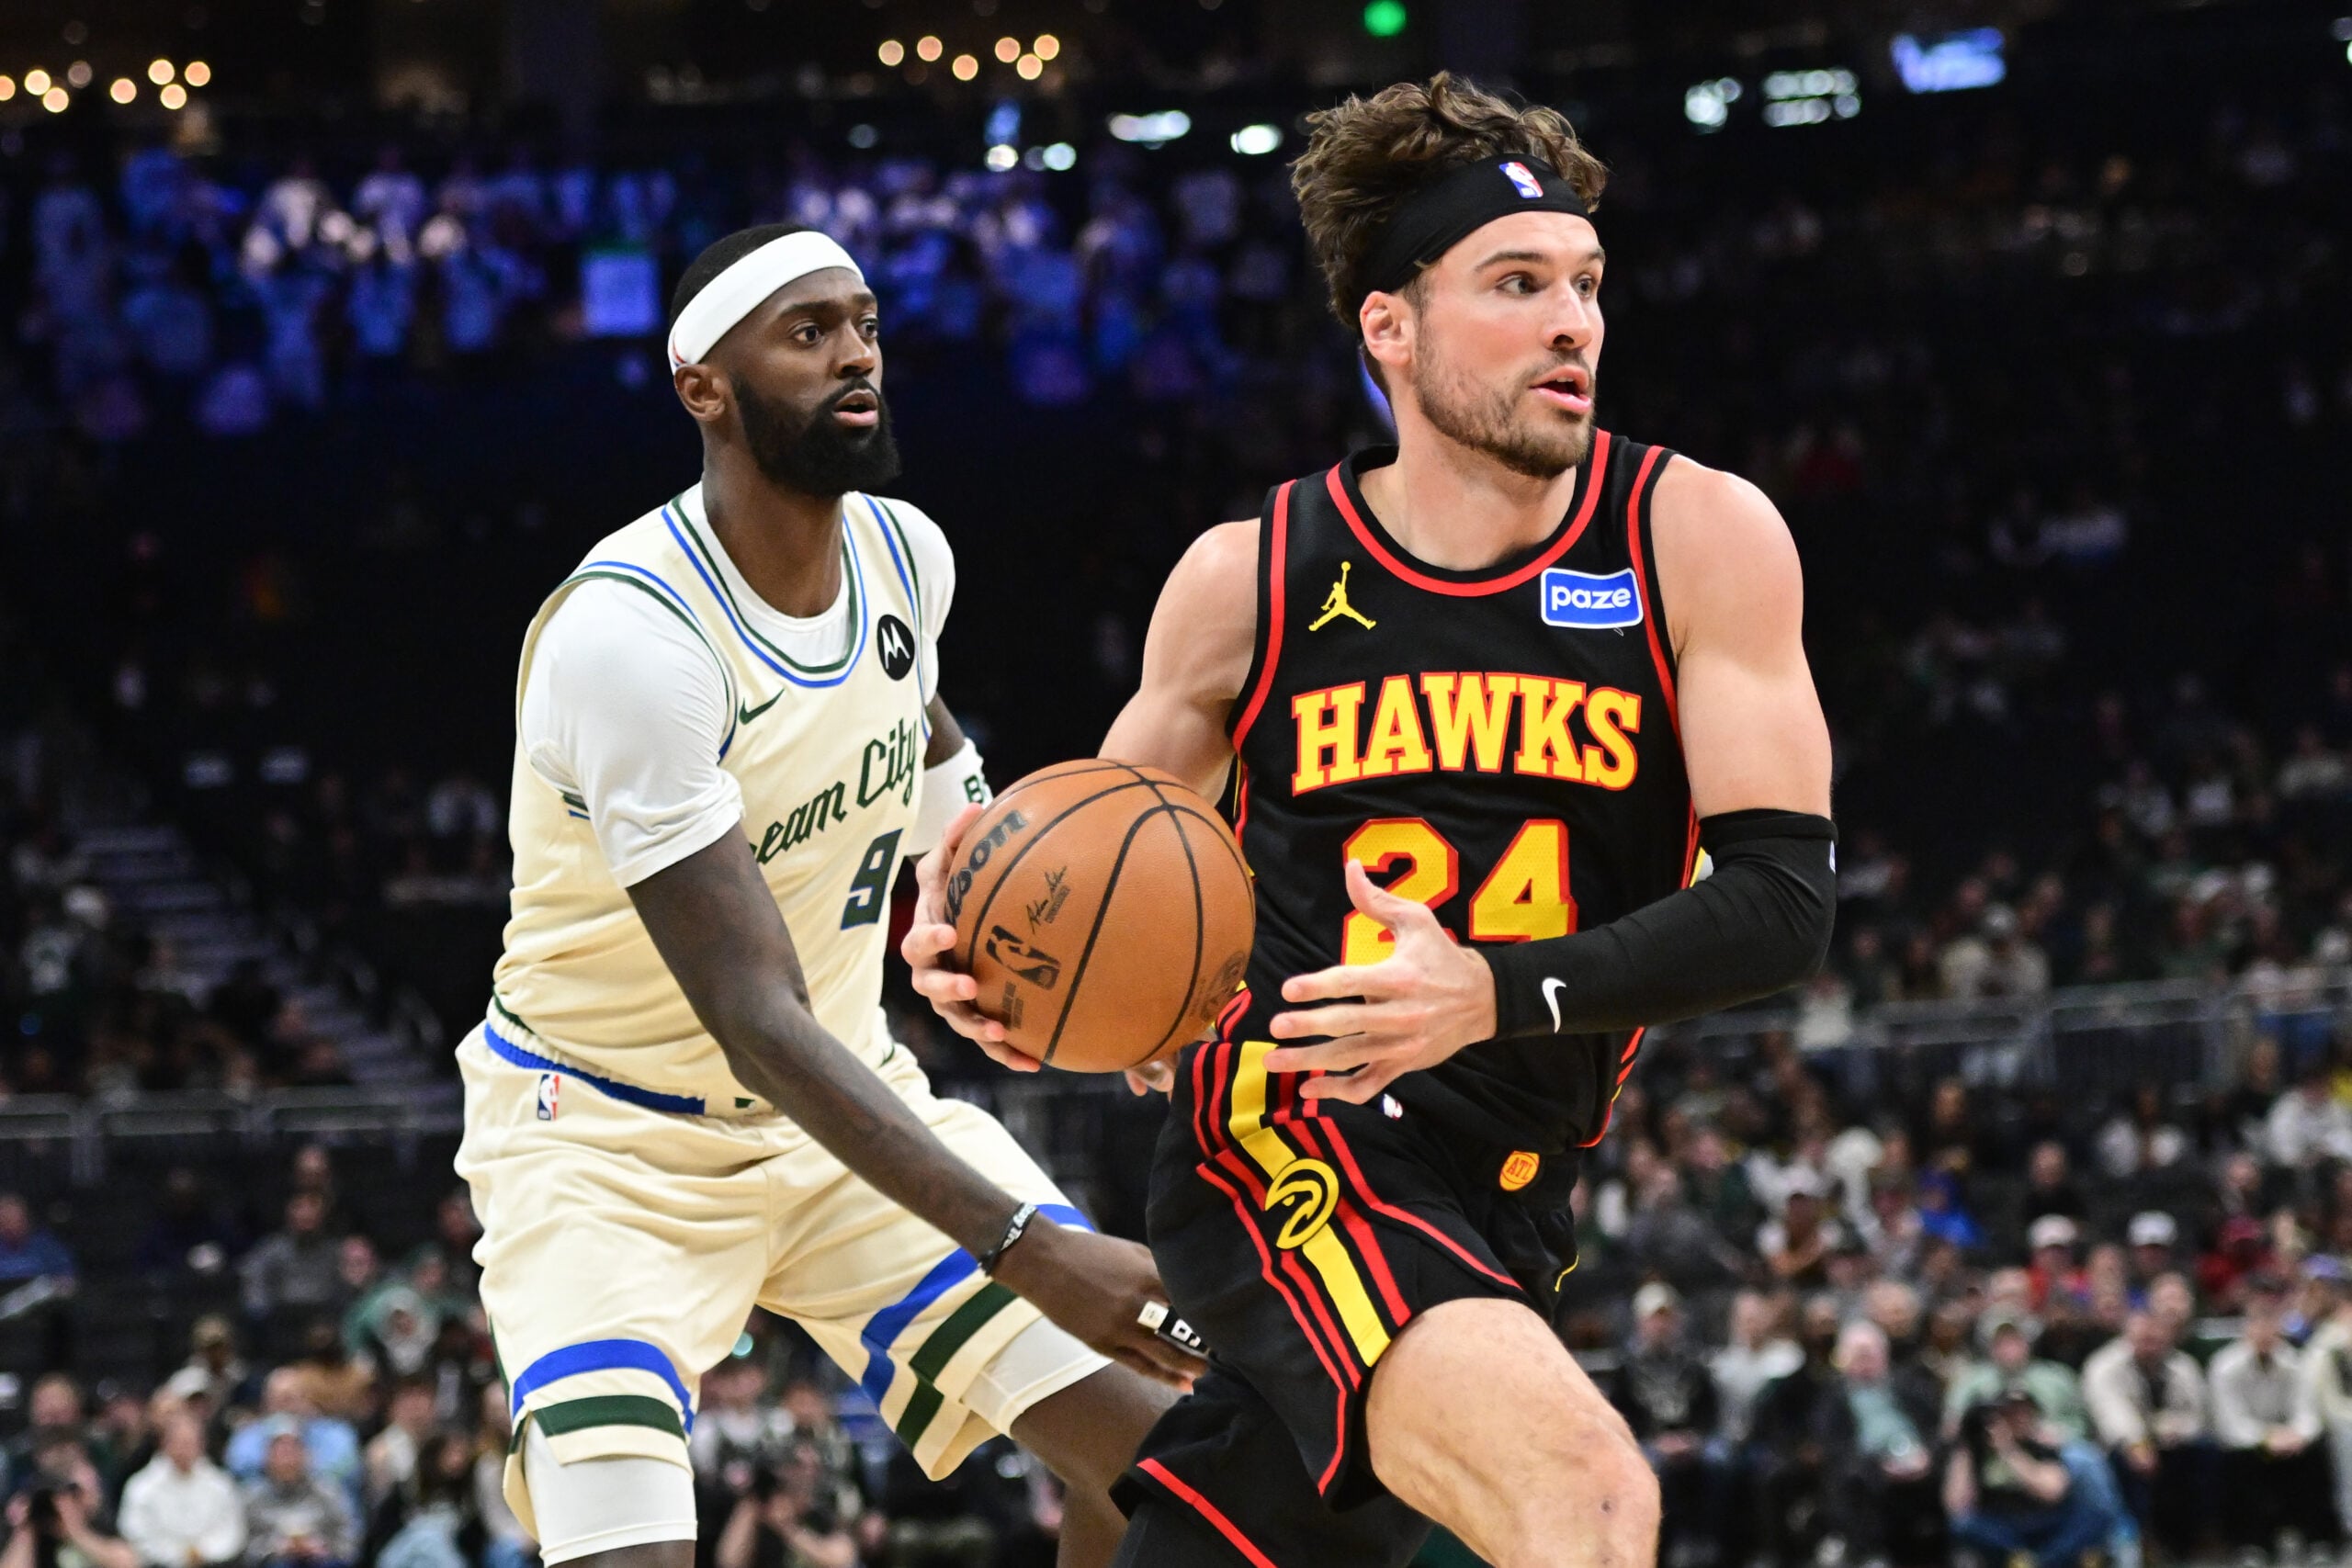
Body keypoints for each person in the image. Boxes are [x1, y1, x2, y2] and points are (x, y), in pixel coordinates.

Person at [910, 72, 1838, 1568]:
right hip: (1294, 1132)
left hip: (1511, 1183)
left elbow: (1784, 902)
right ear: (1390, 328)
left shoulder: (1695, 537)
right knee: (1587, 1498)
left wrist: (1491, 991)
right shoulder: (1255, 575)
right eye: (1518, 284)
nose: (1573, 323)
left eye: (1587, 284)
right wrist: (983, 963)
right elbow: (1092, 879)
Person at [457, 219, 1200, 1568]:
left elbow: (932, 750)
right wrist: (1029, 1246)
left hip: (844, 1108)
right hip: (610, 1148)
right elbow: (754, 1014)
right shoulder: (632, 636)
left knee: (1179, 1463)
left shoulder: (907, 555)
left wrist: (1027, 937)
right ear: (703, 387)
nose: (855, 354)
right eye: (807, 333)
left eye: (862, 324)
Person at [2209, 1279, 2337, 1556]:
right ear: (2247, 1329)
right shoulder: (2225, 1366)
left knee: (2316, 1454)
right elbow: (2230, 1421)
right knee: (2242, 1463)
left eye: (2270, 1325)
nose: (2264, 1332)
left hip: (2289, 1440)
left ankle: (2318, 1540)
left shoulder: (2294, 1362)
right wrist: (2266, 1438)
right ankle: (2252, 1544)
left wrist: (2298, 1435)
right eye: (2258, 1324)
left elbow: (2307, 1412)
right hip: (2251, 1443)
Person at [1605, 1283, 1720, 1567]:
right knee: (1656, 1470)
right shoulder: (1625, 1368)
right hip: (1646, 1442)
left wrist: (1694, 1438)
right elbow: (1618, 1416)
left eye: (1667, 1318)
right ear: (1640, 1322)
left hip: (1692, 1439)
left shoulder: (1694, 1363)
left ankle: (1711, 1541)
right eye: (1654, 1319)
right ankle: (1670, 1545)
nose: (1661, 1325)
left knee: (1720, 1462)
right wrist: (1655, 1441)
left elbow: (1709, 1409)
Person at [2082, 1310, 2212, 1558]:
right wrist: (2137, 1442)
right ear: (2128, 1338)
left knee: (2206, 1450)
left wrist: (2175, 1429)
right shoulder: (2104, 1366)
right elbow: (2112, 1414)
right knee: (2132, 1464)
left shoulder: (2183, 1366)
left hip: (2174, 1441)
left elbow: (2198, 1415)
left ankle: (2193, 1536)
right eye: (2144, 1339)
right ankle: (2140, 1536)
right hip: (2122, 1443)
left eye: (2157, 1339)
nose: (2151, 1345)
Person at [1943, 1389, 2109, 1568]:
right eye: (2011, 1413)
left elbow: (2053, 1492)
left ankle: (2038, 1563)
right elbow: (1956, 1507)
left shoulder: (2042, 1446)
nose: (2020, 1419)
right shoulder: (1977, 1453)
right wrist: (1965, 1445)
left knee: (2094, 1516)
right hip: (2006, 1527)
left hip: (2047, 1521)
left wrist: (2008, 1450)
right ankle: (2025, 1559)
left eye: (2025, 1412)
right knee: (1965, 1525)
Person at [119, 1409, 246, 1568]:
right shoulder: (141, 1486)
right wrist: (179, 1556)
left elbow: (232, 1530)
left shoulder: (220, 1484)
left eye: (191, 1442)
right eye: (180, 1442)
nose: (185, 1449)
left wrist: (202, 1552)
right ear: (164, 1443)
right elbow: (136, 1533)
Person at [240, 1424, 358, 1568]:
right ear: (267, 1458)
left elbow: (349, 1539)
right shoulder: (252, 1497)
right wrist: (275, 1548)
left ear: (307, 1456)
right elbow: (242, 1546)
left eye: (293, 1451)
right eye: (280, 1452)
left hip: (322, 1560)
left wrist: (322, 1547)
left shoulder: (328, 1492)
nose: (287, 1460)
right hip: (272, 1561)